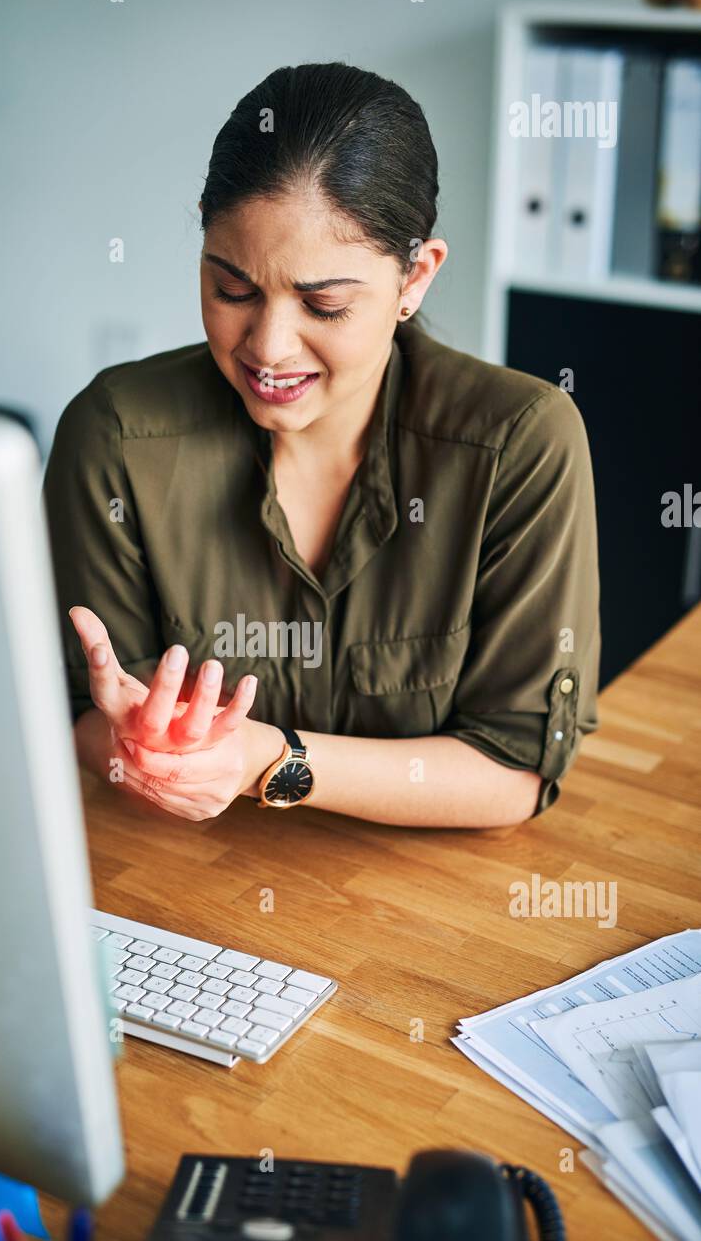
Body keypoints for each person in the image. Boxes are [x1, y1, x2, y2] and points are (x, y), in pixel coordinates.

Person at [43, 62, 600, 828]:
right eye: (232, 289)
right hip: (178, 882)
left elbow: (513, 770)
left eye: (324, 304)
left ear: (415, 277)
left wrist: (265, 760)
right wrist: (135, 744)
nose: (267, 348)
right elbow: (79, 716)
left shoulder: (519, 443)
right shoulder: (114, 435)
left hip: (426, 905)